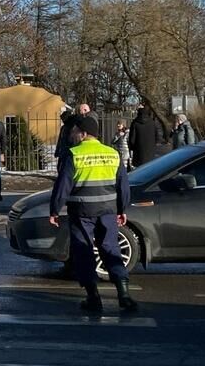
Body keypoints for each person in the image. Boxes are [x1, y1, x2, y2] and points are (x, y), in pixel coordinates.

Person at [49, 116, 137, 314]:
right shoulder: (112, 154)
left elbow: (63, 186)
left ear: (83, 133)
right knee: (111, 249)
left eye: (74, 132)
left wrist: (54, 210)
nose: (71, 135)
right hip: (108, 211)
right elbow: (123, 185)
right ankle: (124, 295)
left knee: (84, 251)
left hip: (82, 212)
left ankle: (93, 298)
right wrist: (122, 209)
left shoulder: (74, 154)